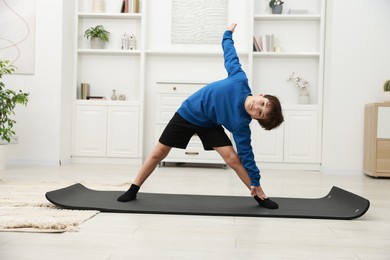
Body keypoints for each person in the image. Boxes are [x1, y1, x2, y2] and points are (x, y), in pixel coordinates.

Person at [118, 23, 284, 209]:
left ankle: (259, 195)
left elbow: (246, 154)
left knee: (233, 159)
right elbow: (231, 56)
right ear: (261, 95)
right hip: (188, 113)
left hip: (208, 124)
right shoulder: (239, 80)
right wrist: (227, 34)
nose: (257, 107)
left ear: (255, 118)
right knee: (159, 152)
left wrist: (256, 179)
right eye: (262, 103)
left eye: (259, 113)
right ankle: (133, 189)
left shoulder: (240, 124)